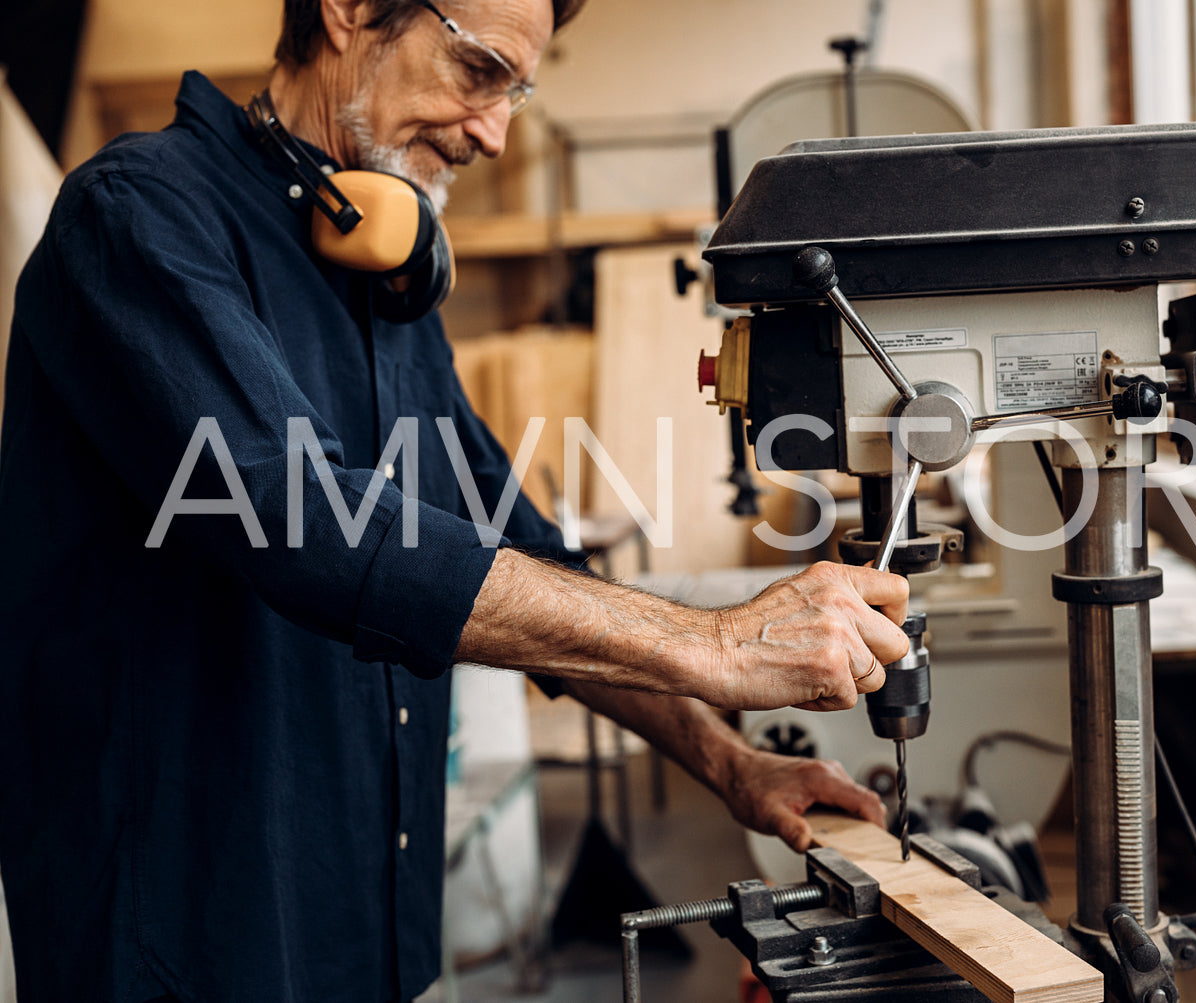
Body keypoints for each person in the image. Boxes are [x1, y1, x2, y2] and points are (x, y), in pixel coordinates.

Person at [0, 0, 911, 1000]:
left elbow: (525, 553)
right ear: (347, 10)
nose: (495, 131)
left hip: (360, 928)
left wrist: (731, 762)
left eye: (515, 90)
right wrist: (717, 643)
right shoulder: (137, 218)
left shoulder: (375, 272)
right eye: (478, 70)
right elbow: (304, 520)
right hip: (185, 939)